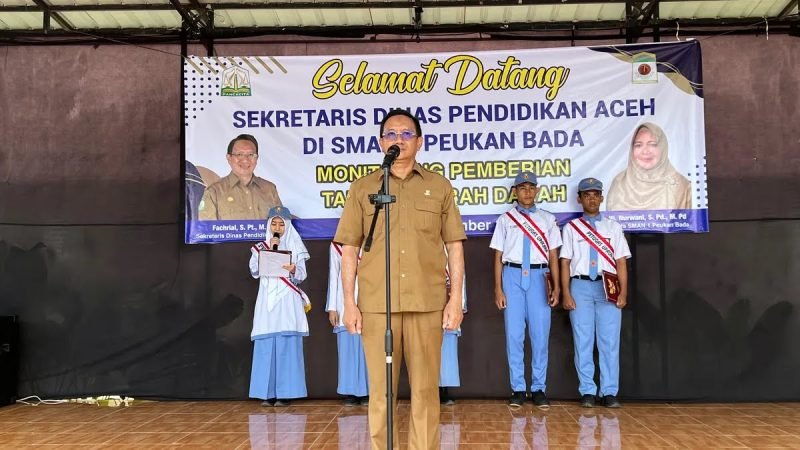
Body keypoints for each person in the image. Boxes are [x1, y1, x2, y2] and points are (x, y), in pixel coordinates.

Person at [334, 109, 466, 449]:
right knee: (381, 393)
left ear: (419, 142)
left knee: (425, 392)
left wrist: (455, 300)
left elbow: (454, 245)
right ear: (381, 142)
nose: (398, 140)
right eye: (391, 134)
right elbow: (349, 249)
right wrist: (349, 303)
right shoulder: (363, 188)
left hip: (427, 303)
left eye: (406, 134)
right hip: (378, 305)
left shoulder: (438, 186)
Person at [490, 171, 561, 409]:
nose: (527, 192)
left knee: (540, 335)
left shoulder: (547, 219)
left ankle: (539, 388)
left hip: (541, 276)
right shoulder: (506, 219)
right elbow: (498, 256)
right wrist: (498, 288)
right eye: (522, 188)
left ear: (537, 191)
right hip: (512, 274)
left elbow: (553, 256)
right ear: (515, 192)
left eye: (531, 188)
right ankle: (518, 388)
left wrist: (557, 287)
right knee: (514, 335)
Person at [560, 178, 631, 408]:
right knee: (583, 340)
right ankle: (588, 391)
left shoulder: (613, 227)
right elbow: (565, 263)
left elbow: (620, 262)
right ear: (579, 198)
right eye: (587, 194)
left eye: (596, 194)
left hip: (608, 287)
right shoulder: (571, 228)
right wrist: (566, 293)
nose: (592, 198)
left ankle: (609, 391)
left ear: (602, 197)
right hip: (579, 286)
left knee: (609, 341)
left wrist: (623, 292)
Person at [248, 206, 311, 407]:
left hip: (287, 301)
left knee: (286, 342)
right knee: (267, 343)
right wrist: (268, 250)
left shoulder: (296, 247)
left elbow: (302, 275)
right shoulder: (259, 247)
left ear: (288, 226)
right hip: (267, 301)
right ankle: (266, 393)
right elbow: (254, 271)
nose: (277, 227)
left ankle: (286, 393)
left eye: (281, 224)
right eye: (274, 223)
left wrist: (293, 269)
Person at [606, 122, 692, 211]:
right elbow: (609, 223)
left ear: (663, 147)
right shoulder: (619, 183)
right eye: (638, 145)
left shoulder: (682, 186)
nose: (645, 151)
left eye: (652, 144)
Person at [199, 134, 283, 220]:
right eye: (239, 154)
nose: (245, 160)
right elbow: (206, 230)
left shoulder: (269, 189)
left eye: (251, 154)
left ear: (257, 158)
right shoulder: (214, 192)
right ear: (229, 158)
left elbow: (282, 227)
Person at [325, 241, 369, 407]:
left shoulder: (377, 238)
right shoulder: (337, 245)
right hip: (344, 303)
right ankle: (350, 392)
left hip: (370, 301)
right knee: (347, 349)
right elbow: (333, 275)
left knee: (369, 350)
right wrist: (332, 308)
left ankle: (369, 391)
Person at [439, 262, 467, 406]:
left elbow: (460, 279)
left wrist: (460, 305)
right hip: (428, 300)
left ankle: (443, 388)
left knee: (447, 345)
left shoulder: (453, 252)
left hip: (449, 300)